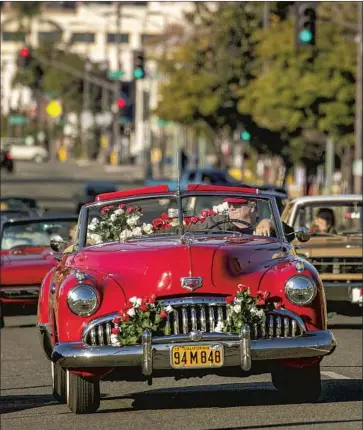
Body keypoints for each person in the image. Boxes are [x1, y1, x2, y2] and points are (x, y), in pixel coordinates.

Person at [183, 197, 295, 239]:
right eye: (229, 204)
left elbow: (290, 235)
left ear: (252, 206)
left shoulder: (264, 227)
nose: (231, 208)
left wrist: (271, 223)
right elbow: (186, 231)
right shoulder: (216, 222)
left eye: (236, 204)